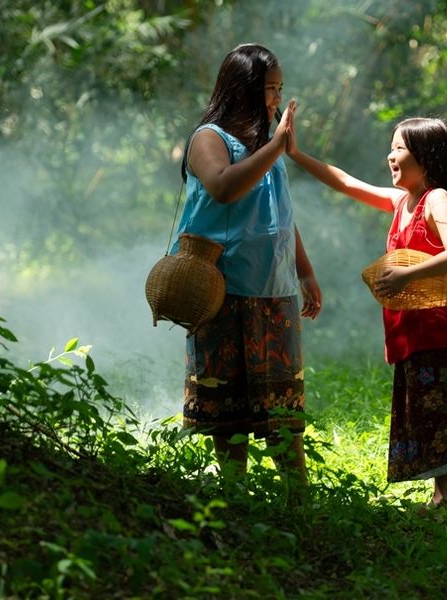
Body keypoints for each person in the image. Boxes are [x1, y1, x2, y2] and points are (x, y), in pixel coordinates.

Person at [287, 117, 447, 520]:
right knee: (432, 408)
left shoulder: (435, 199)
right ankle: (443, 498)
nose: (391, 155)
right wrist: (296, 154)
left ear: (425, 156)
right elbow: (347, 183)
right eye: (392, 146)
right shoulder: (401, 201)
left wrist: (406, 273)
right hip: (416, 330)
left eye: (399, 148)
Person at [170, 43, 321, 491]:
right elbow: (221, 188)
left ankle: (299, 497)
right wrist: (275, 146)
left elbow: (281, 215)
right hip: (224, 288)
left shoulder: (265, 147)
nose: (275, 99)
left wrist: (306, 270)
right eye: (269, 90)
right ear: (243, 90)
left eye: (278, 89)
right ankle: (233, 494)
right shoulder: (209, 138)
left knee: (281, 402)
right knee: (228, 403)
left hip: (275, 289)